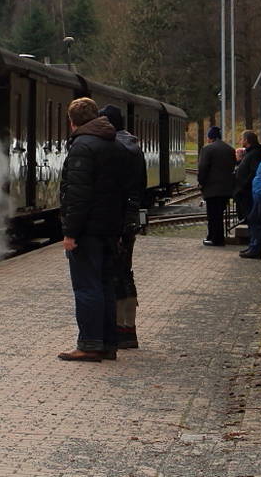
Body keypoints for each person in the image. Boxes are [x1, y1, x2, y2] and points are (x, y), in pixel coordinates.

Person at [58, 97, 133, 362]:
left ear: (73, 121)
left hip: (88, 229)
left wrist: (70, 232)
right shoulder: (115, 144)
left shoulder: (82, 146)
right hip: (110, 227)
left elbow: (78, 195)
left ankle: (89, 344)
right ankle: (108, 343)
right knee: (105, 285)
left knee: (86, 286)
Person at [98, 103, 145, 349]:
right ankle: (128, 328)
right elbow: (142, 185)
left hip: (117, 219)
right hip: (130, 217)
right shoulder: (135, 146)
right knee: (125, 273)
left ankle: (119, 331)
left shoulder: (115, 148)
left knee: (114, 275)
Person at [196, 126, 236, 246]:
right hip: (227, 187)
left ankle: (216, 239)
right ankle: (213, 236)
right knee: (219, 213)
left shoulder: (207, 149)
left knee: (213, 214)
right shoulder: (229, 149)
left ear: (210, 138)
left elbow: (203, 167)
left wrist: (201, 182)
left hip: (212, 187)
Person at [233, 130, 261, 230]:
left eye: (242, 138)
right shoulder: (249, 152)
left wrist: (243, 185)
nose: (241, 140)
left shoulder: (255, 153)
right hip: (244, 189)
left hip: (248, 189)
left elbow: (253, 171)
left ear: (246, 140)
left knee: (250, 212)